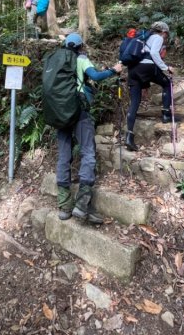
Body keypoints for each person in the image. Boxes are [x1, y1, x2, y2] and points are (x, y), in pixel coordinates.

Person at [57, 33, 122, 223]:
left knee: (63, 156)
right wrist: (113, 70)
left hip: (59, 112)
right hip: (78, 111)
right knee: (88, 151)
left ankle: (64, 206)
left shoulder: (57, 60)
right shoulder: (81, 59)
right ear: (79, 46)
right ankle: (82, 204)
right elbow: (95, 76)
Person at [125, 21, 174, 152]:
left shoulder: (143, 38)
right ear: (163, 32)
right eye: (166, 35)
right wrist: (166, 68)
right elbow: (153, 53)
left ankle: (129, 136)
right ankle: (165, 114)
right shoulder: (157, 38)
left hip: (133, 70)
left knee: (135, 102)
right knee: (167, 83)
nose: (165, 37)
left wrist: (145, 85)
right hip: (147, 67)